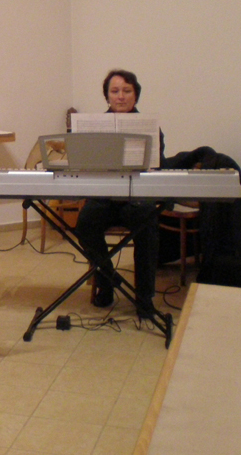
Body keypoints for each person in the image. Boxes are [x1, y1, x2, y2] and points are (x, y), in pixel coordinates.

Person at [75, 69, 164, 319]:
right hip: (103, 198)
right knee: (84, 224)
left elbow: (158, 165)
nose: (121, 96)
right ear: (107, 96)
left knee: (148, 225)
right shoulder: (94, 126)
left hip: (136, 199)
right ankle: (107, 280)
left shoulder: (150, 127)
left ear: (136, 95)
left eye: (127, 91)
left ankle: (144, 297)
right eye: (115, 91)